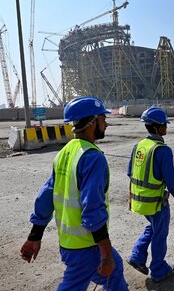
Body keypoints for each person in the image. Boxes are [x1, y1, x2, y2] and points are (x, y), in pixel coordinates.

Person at [20, 96, 128, 290]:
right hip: (87, 247)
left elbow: (46, 196)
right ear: (92, 122)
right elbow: (93, 208)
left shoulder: (65, 152)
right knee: (84, 281)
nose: (106, 124)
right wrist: (105, 253)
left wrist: (35, 235)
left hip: (69, 245)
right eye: (103, 119)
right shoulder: (93, 158)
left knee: (115, 274)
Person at [127, 107, 174, 283]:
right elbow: (171, 180)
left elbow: (130, 172)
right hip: (156, 202)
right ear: (156, 127)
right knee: (160, 233)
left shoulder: (138, 146)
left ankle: (137, 256)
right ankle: (159, 270)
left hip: (139, 200)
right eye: (164, 125)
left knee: (153, 227)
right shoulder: (162, 150)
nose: (166, 128)